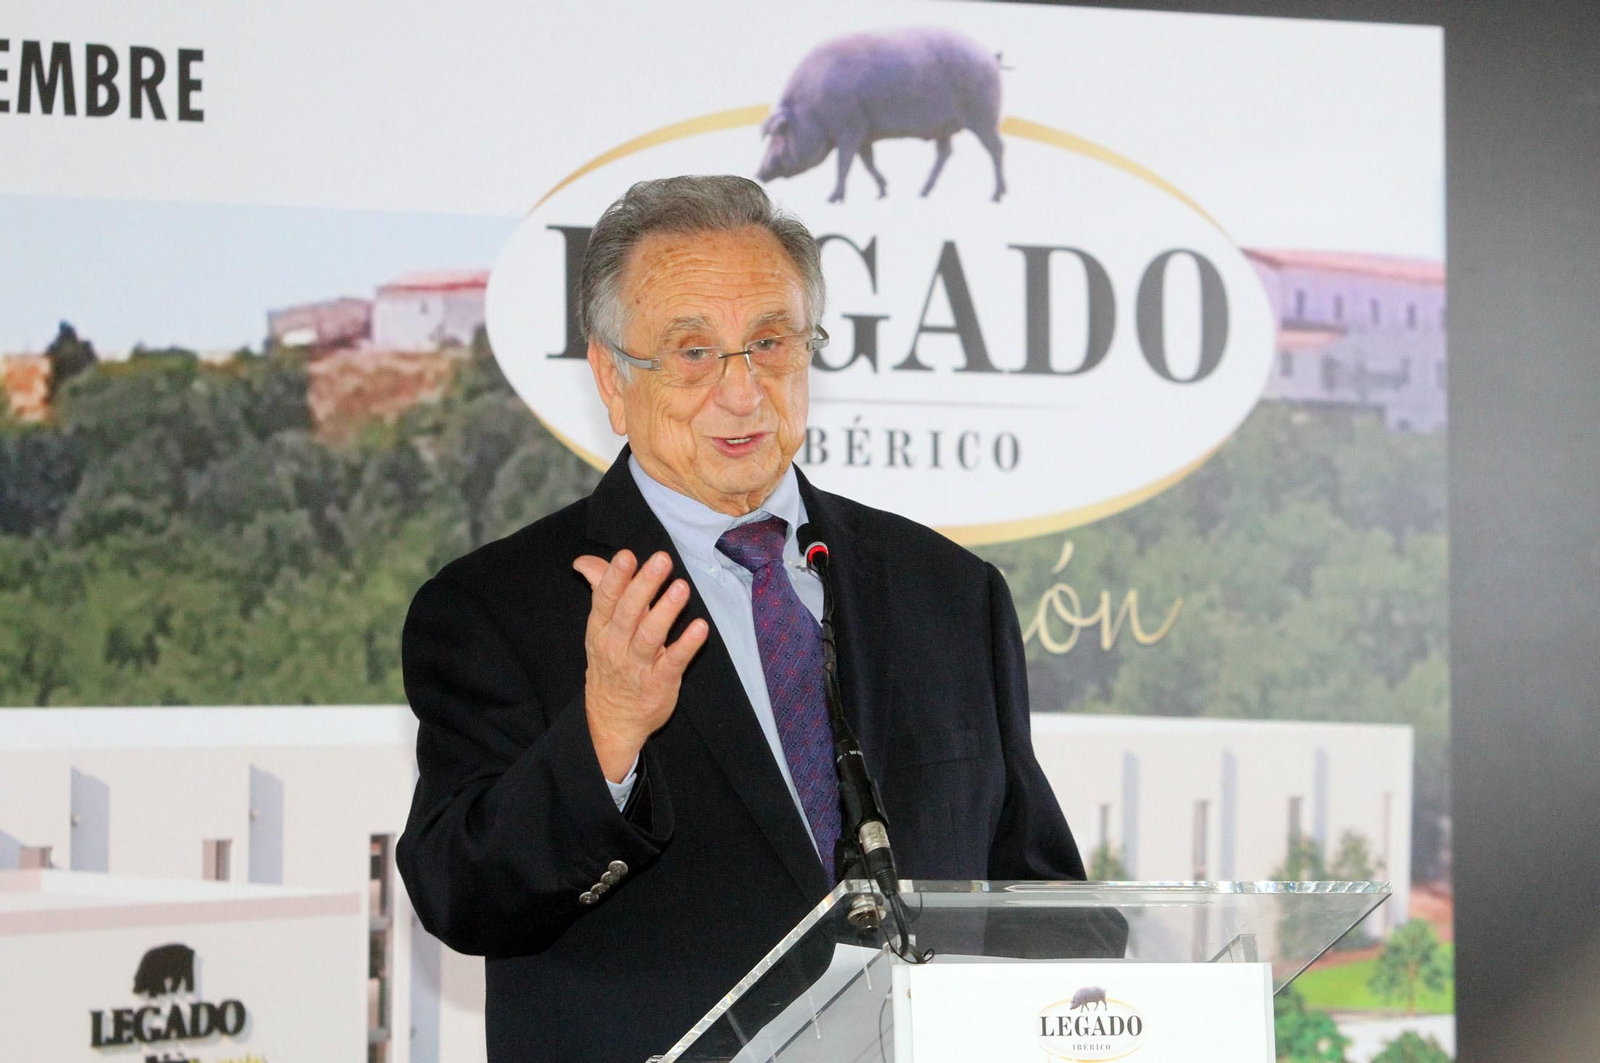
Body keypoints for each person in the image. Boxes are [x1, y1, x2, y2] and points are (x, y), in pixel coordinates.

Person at [396, 175, 1090, 1063]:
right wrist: (605, 737)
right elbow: (463, 894)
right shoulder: (499, 609)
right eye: (692, 352)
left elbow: (1039, 901)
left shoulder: (949, 592)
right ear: (612, 376)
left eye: (770, 343)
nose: (742, 390)